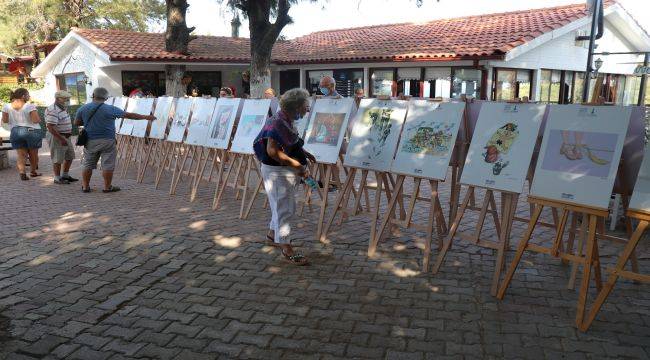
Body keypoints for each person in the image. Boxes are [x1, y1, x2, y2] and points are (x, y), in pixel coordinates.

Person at [253, 88, 316, 266]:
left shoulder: (284, 119)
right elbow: (272, 151)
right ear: (296, 107)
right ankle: (286, 247)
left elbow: (289, 141)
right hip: (277, 173)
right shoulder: (278, 122)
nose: (307, 110)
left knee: (279, 206)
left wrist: (303, 152)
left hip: (280, 172)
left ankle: (272, 236)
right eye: (306, 106)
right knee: (285, 209)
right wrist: (297, 165)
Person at [74, 87, 155, 193]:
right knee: (108, 164)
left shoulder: (83, 108)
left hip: (90, 140)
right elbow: (129, 115)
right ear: (106, 98)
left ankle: (85, 186)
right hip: (108, 140)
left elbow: (76, 123)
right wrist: (146, 117)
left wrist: (91, 122)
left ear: (93, 95)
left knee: (88, 164)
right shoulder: (111, 109)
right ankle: (107, 187)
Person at [1, 88, 41, 180]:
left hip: (15, 131)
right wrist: (39, 119)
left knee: (21, 155)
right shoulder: (29, 106)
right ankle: (33, 172)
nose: (29, 97)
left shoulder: (6, 106)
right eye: (28, 95)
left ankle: (22, 172)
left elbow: (5, 120)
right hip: (31, 131)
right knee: (33, 154)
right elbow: (35, 120)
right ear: (23, 96)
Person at [45, 90, 78, 184]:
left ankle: (65, 175)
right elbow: (50, 127)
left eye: (67, 98)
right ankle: (57, 177)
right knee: (57, 157)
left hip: (65, 136)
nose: (67, 100)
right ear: (57, 98)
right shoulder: (53, 109)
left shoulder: (63, 108)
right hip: (58, 137)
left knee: (70, 156)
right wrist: (60, 138)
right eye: (64, 98)